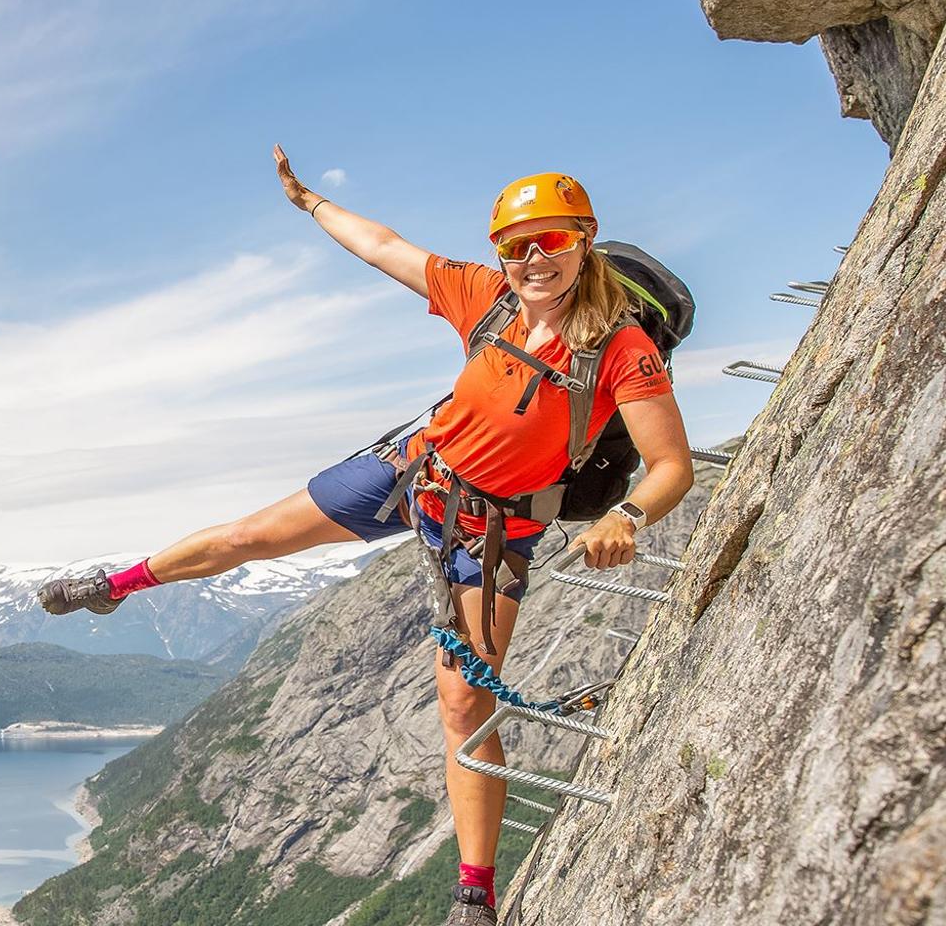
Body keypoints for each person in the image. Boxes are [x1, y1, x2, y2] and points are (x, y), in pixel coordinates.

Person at [37, 145, 695, 925]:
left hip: (493, 530)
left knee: (463, 710)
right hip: (414, 471)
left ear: (584, 239)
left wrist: (626, 516)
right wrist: (310, 202)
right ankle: (115, 588)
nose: (531, 260)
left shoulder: (621, 349)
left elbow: (670, 466)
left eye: (549, 240)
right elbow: (384, 246)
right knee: (253, 534)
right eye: (515, 246)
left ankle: (474, 894)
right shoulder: (486, 298)